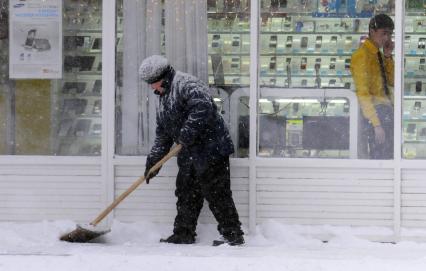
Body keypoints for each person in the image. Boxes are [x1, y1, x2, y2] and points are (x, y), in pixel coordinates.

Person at [139, 55, 244, 246]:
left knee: (217, 193)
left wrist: (187, 134)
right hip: (188, 152)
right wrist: (153, 162)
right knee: (186, 192)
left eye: (152, 83)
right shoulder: (163, 99)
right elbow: (163, 134)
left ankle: (232, 234)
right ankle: (183, 233)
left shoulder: (187, 84)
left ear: (163, 77)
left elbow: (202, 107)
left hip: (211, 149)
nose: (151, 87)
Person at [350, 14, 395, 159]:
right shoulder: (362, 56)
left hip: (386, 110)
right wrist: (376, 124)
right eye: (384, 33)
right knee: (380, 158)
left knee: (389, 156)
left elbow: (392, 81)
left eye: (389, 34)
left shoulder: (379, 55)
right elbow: (363, 93)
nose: (387, 38)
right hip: (375, 114)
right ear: (372, 31)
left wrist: (388, 55)